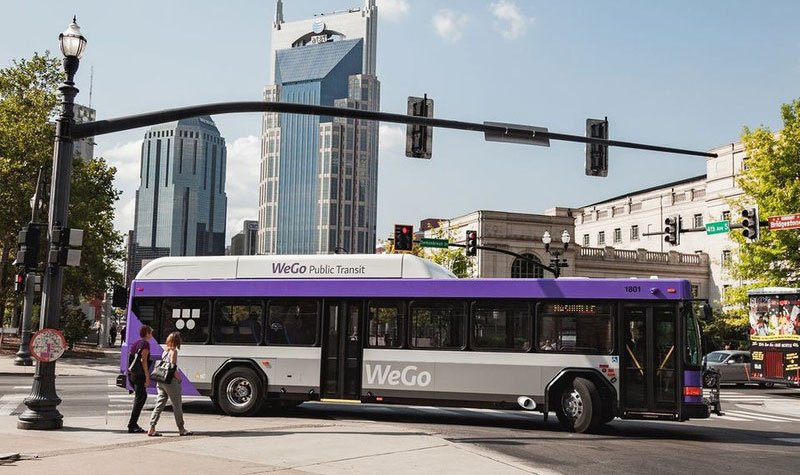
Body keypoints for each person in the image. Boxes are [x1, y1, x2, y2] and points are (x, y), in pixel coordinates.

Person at [148, 332, 193, 437]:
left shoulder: (165, 352)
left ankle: (151, 427)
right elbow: (172, 368)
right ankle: (181, 429)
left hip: (161, 381)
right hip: (170, 381)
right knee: (177, 405)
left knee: (159, 404)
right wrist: (179, 379)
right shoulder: (174, 352)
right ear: (177, 341)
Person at [127, 325, 152, 434]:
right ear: (146, 333)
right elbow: (144, 361)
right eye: (150, 332)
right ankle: (132, 424)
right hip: (139, 374)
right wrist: (147, 376)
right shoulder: (145, 344)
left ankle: (133, 423)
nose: (151, 334)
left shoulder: (136, 343)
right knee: (140, 398)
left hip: (132, 373)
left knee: (141, 396)